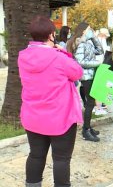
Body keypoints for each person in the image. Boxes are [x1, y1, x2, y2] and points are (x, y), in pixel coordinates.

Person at [18, 16, 83, 187]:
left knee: (36, 155)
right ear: (51, 35)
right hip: (60, 118)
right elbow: (77, 73)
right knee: (61, 160)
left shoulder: (22, 56)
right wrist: (61, 50)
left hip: (33, 117)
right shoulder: (59, 57)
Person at [67, 22, 104, 142]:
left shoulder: (89, 42)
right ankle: (85, 131)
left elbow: (100, 50)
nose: (91, 30)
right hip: (86, 76)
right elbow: (80, 61)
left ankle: (88, 127)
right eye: (89, 29)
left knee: (90, 102)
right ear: (83, 31)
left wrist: (94, 38)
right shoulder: (81, 43)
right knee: (90, 103)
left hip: (91, 75)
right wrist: (96, 64)